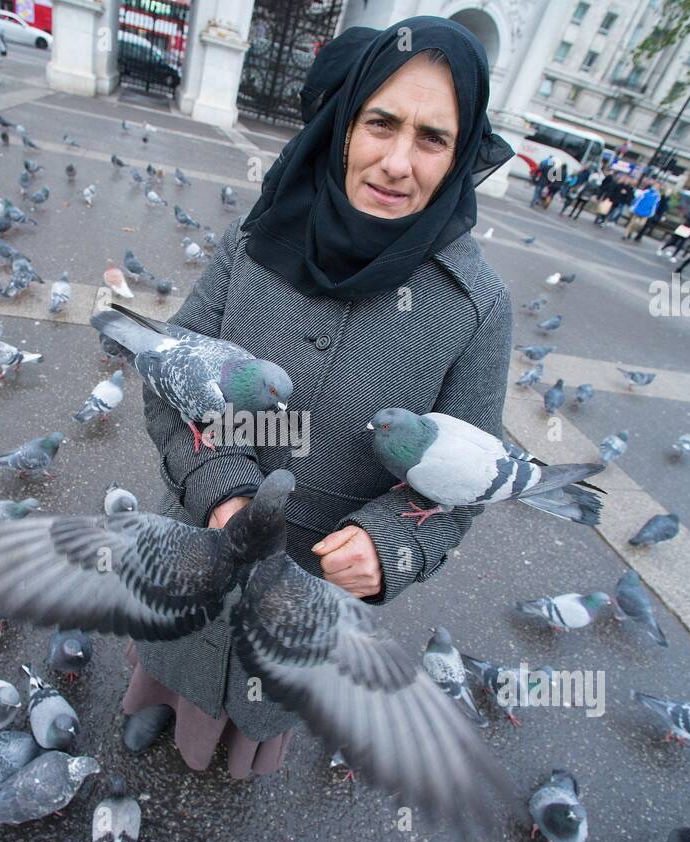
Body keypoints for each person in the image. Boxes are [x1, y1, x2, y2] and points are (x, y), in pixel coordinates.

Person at [120, 17, 516, 777]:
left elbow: (462, 485)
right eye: (381, 122)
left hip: (308, 592)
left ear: (462, 154)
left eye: (432, 138)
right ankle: (165, 708)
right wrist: (224, 494)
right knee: (179, 655)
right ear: (345, 122)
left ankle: (238, 749)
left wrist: (390, 544)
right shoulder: (259, 234)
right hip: (202, 536)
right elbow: (169, 379)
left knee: (262, 698)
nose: (398, 162)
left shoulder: (477, 306)